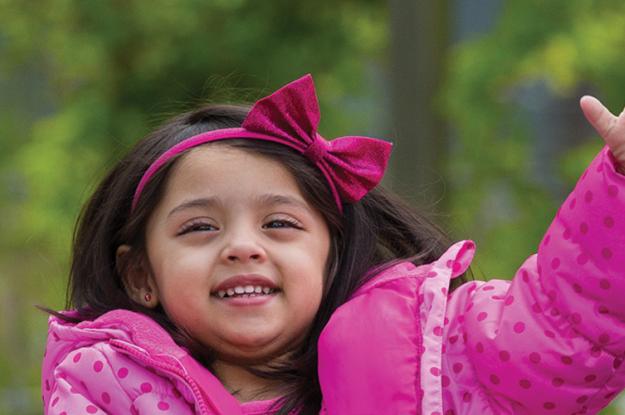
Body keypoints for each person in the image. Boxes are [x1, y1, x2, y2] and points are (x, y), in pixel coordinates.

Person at [41, 74, 625, 415]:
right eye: (200, 228)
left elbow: (562, 322)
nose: (243, 247)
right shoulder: (106, 390)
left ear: (333, 252)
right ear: (141, 274)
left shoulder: (431, 352)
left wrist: (618, 184)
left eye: (280, 224)